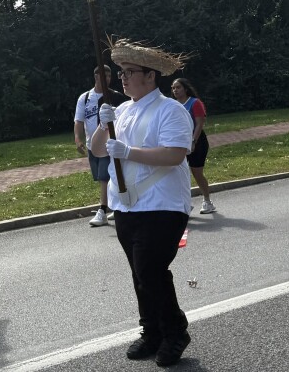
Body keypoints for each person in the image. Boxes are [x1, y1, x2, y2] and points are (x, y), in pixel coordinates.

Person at [90, 40, 193, 367]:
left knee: (151, 270)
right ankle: (151, 332)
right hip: (128, 206)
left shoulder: (170, 110)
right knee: (140, 273)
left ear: (150, 76)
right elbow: (96, 150)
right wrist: (102, 126)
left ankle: (175, 332)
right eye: (122, 73)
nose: (123, 78)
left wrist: (129, 152)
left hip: (163, 205)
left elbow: (175, 153)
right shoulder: (120, 111)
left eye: (129, 72)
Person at [74, 65, 127, 226]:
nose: (107, 80)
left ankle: (102, 210)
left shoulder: (115, 97)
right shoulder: (85, 98)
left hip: (108, 144)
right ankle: (117, 206)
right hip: (92, 144)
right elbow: (79, 120)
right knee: (103, 177)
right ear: (96, 76)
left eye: (110, 77)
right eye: (104, 76)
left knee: (105, 176)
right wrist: (78, 138)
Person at [170, 78, 214, 214]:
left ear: (185, 89)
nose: (175, 90)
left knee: (196, 173)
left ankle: (207, 201)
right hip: (179, 142)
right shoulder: (173, 105)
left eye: (178, 87)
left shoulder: (195, 103)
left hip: (197, 141)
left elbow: (199, 124)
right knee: (178, 173)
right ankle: (184, 203)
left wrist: (193, 141)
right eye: (173, 88)